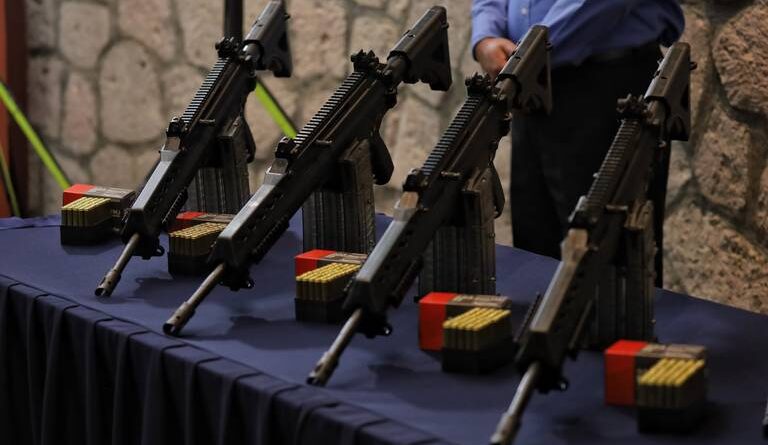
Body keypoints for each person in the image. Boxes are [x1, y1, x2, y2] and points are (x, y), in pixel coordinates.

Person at [471, 0, 685, 278]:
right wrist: (486, 37)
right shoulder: (525, 64)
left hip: (607, 88)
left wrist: (526, 57)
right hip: (530, 80)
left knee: (607, 264)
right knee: (535, 258)